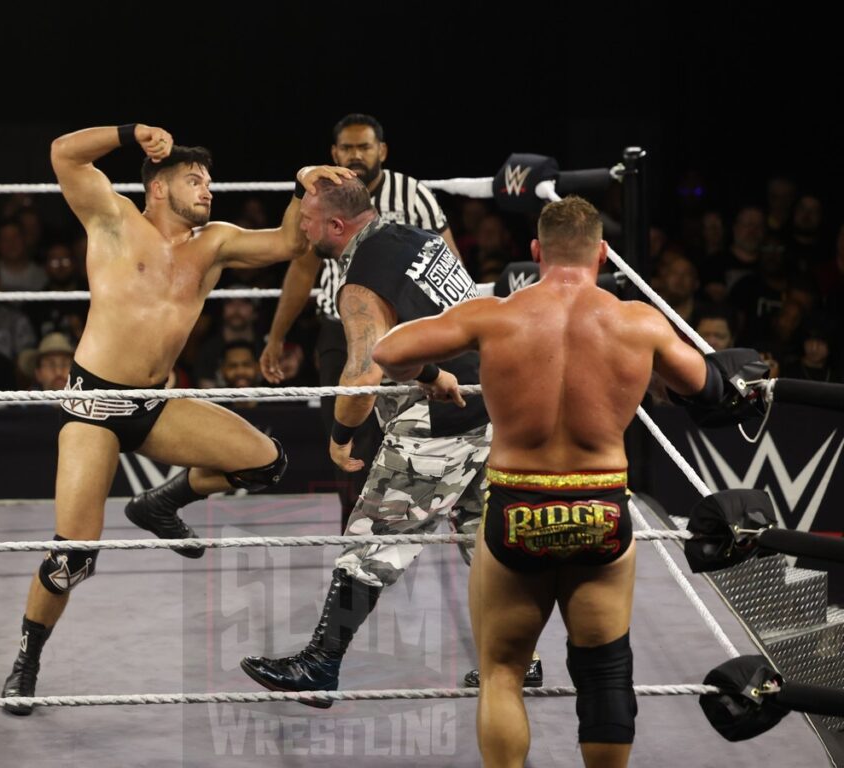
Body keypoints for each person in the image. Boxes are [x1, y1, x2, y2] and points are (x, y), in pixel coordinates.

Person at [0, 121, 352, 715]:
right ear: (158, 187)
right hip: (94, 404)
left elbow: (289, 246)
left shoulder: (213, 242)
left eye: (209, 180)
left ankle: (161, 504)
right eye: (195, 179)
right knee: (72, 558)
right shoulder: (113, 219)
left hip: (154, 404)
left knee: (266, 462)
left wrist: (302, 186)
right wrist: (128, 131)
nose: (208, 189)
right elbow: (62, 153)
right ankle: (27, 660)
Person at [371, 196, 734, 768]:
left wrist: (434, 375)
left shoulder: (494, 314)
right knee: (605, 672)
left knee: (502, 672)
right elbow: (706, 386)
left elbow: (387, 350)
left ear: (536, 252)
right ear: (604, 253)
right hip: (601, 505)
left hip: (517, 501)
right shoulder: (638, 322)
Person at [240, 175, 540, 708]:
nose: (299, 229)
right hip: (493, 397)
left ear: (335, 226)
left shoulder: (358, 285)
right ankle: (522, 663)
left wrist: (340, 437)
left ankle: (320, 663)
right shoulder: (412, 235)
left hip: (442, 419)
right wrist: (307, 180)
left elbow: (361, 377)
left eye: (306, 220)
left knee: (373, 542)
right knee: (483, 538)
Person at [260, 114, 461, 532]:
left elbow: (362, 377)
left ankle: (372, 538)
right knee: (357, 431)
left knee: (368, 422)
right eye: (347, 148)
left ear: (381, 151)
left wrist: (449, 335)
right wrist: (276, 336)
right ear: (334, 154)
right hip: (355, 332)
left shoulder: (411, 198)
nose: (355, 155)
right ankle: (362, 524)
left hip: (409, 335)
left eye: (364, 147)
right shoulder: (333, 201)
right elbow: (300, 268)